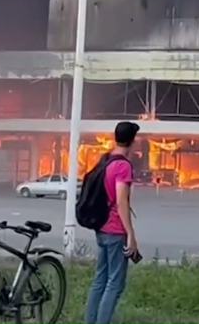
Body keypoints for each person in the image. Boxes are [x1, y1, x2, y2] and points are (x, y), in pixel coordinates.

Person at [84, 121, 140, 324]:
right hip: (115, 231)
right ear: (132, 141)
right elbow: (121, 201)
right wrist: (131, 235)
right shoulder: (122, 166)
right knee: (115, 283)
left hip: (101, 227)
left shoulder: (105, 160)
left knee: (100, 279)